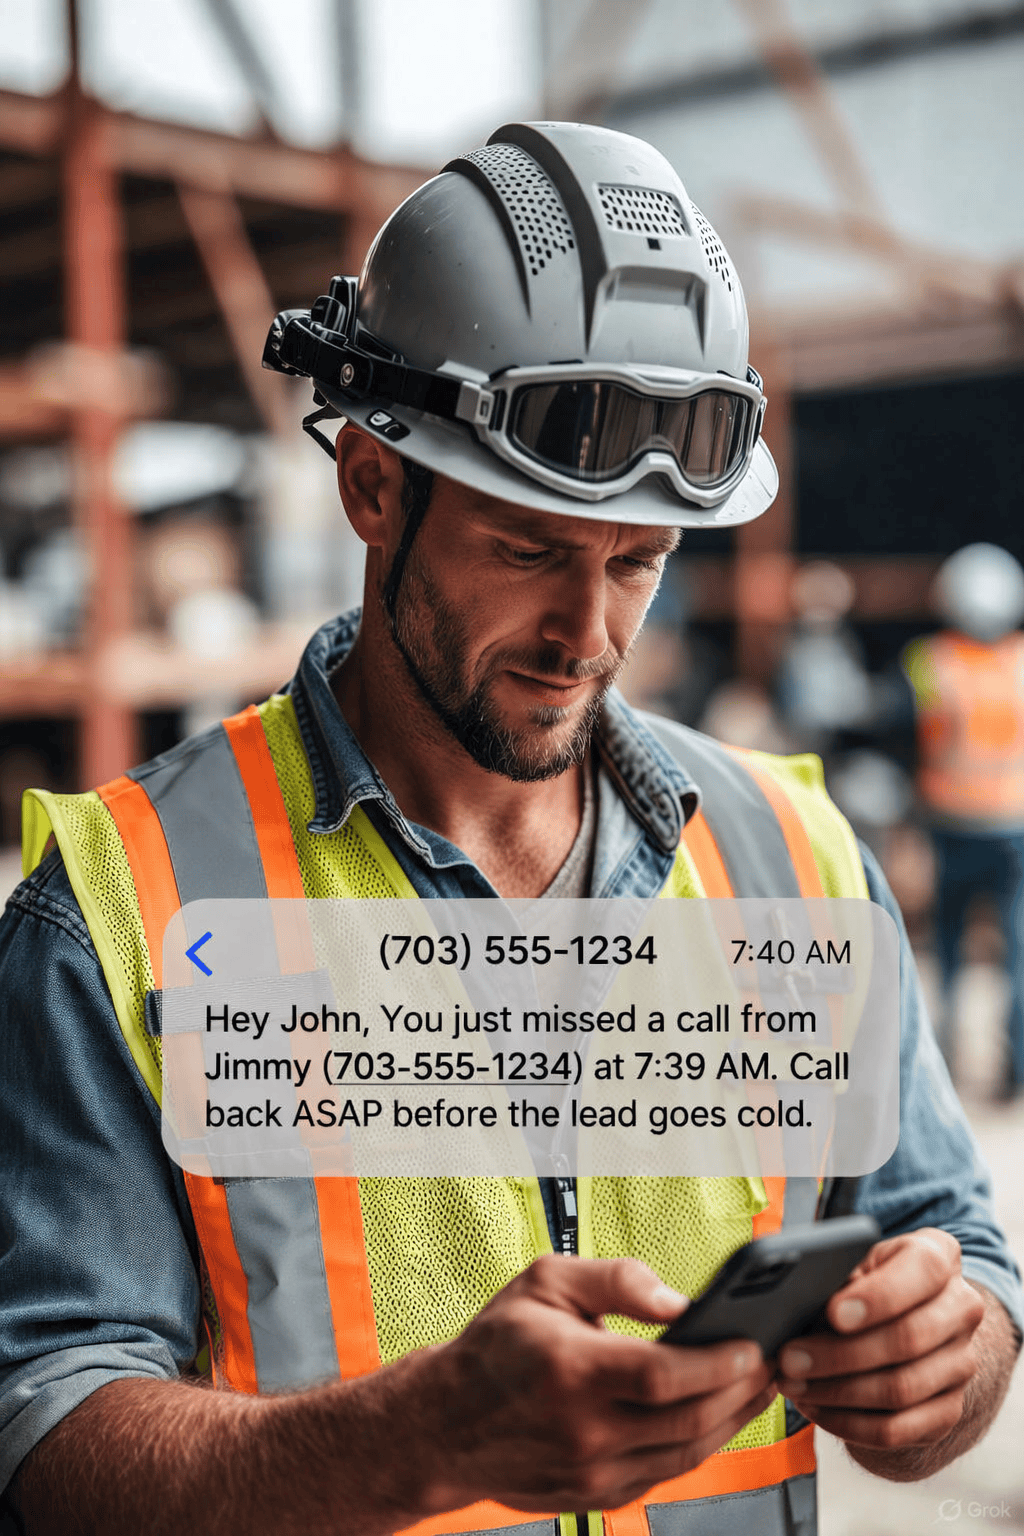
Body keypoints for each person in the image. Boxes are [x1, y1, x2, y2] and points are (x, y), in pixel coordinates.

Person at [0, 122, 1020, 1536]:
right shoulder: (123, 908)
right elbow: (45, 1442)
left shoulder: (797, 863)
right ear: (372, 485)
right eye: (530, 549)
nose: (587, 636)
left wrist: (955, 1355)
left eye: (639, 564)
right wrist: (412, 1442)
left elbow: (956, 1249)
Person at [903, 543, 1024, 1097]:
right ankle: (1014, 1067)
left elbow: (906, 729)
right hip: (1013, 825)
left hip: (952, 820)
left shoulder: (932, 661)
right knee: (1016, 949)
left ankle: (944, 1063)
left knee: (949, 947)